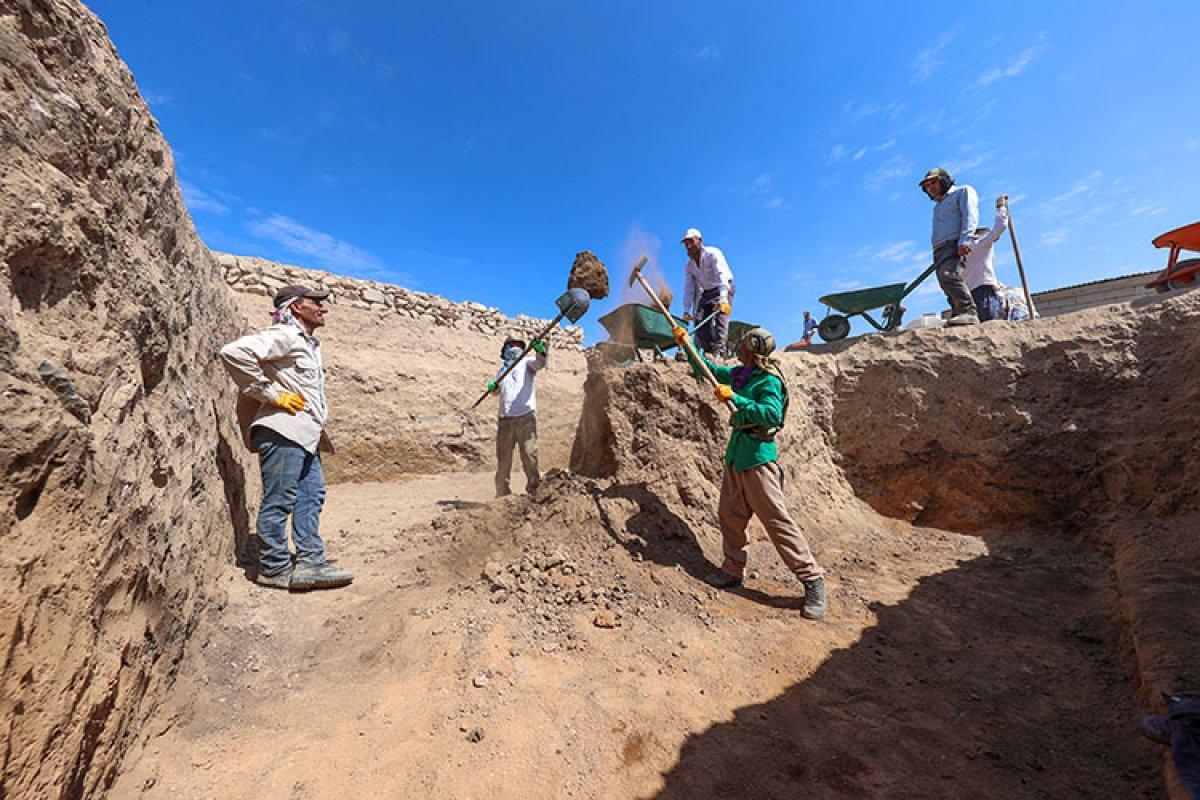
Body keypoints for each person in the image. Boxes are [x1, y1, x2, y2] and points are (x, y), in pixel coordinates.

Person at [675, 324, 828, 620]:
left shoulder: (768, 380)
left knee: (777, 521)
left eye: (743, 345)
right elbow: (709, 369)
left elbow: (771, 414)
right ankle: (733, 571)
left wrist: (738, 399)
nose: (738, 348)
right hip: (737, 457)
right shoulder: (742, 375)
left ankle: (813, 581)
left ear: (753, 350)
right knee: (730, 516)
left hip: (758, 459)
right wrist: (685, 344)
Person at [219, 284, 354, 591]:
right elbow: (233, 352)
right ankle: (274, 567)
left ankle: (310, 561)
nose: (323, 308)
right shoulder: (284, 336)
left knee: (311, 495)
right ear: (296, 307)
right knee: (280, 499)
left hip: (306, 433)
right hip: (282, 430)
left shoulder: (308, 344)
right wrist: (272, 394)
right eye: (315, 303)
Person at [487, 336, 547, 497]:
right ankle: (502, 492)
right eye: (510, 345)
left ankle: (534, 489)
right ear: (504, 351)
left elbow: (540, 363)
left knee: (529, 454)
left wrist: (540, 351)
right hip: (505, 419)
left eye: (517, 345)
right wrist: (493, 387)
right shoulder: (502, 370)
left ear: (522, 348)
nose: (513, 347)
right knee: (503, 458)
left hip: (525, 416)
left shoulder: (526, 362)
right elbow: (497, 392)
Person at [919, 167, 980, 326]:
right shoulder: (938, 206)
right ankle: (957, 313)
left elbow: (970, 215)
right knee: (944, 282)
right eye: (927, 185)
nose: (930, 187)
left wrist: (965, 239)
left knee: (950, 276)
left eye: (934, 182)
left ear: (944, 181)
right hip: (939, 248)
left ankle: (968, 312)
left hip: (954, 243)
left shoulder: (962, 192)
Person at [680, 228, 735, 357]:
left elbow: (722, 276)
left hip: (724, 287)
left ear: (700, 241)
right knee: (699, 321)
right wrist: (686, 310)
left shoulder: (713, 254)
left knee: (721, 318)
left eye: (691, 242)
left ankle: (720, 351)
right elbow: (689, 288)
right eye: (686, 244)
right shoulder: (689, 266)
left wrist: (723, 299)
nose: (688, 246)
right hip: (707, 292)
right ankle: (709, 352)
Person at [963, 194, 1011, 321]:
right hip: (984, 292)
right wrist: (1001, 206)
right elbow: (1000, 226)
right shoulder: (980, 245)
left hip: (971, 294)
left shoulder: (965, 252)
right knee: (993, 324)